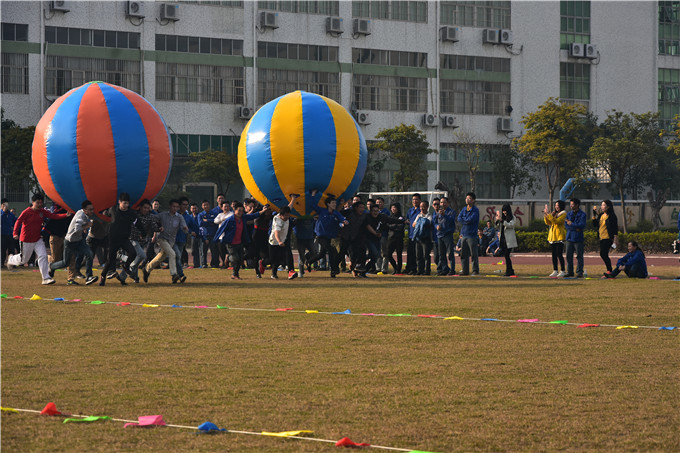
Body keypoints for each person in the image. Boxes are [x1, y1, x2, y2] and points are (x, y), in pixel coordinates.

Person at [10, 193, 69, 284]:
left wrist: (65, 215)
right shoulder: (26, 212)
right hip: (26, 240)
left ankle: (46, 278)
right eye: (37, 202)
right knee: (24, 260)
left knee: (43, 256)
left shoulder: (42, 211)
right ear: (33, 202)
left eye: (41, 203)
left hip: (37, 239)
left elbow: (53, 216)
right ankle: (11, 259)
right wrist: (15, 233)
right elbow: (18, 222)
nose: (39, 204)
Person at [49, 200, 98, 285]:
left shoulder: (85, 215)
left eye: (92, 209)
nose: (92, 211)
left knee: (89, 254)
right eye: (90, 209)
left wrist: (85, 228)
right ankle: (51, 266)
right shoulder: (80, 215)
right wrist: (87, 226)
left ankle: (89, 277)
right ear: (85, 210)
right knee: (65, 263)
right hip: (70, 242)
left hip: (78, 241)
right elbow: (77, 229)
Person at [99, 192, 144, 286]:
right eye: (124, 203)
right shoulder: (113, 210)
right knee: (110, 260)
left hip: (124, 239)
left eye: (127, 203)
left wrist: (143, 233)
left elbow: (138, 223)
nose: (126, 205)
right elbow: (105, 215)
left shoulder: (131, 213)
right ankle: (103, 277)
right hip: (112, 239)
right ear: (119, 202)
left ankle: (126, 266)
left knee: (133, 253)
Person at [214, 201, 267, 279]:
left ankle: (235, 274)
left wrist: (263, 210)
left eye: (242, 211)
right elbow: (221, 229)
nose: (240, 212)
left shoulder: (243, 218)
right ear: (234, 210)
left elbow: (253, 216)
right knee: (235, 258)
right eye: (239, 210)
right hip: (230, 243)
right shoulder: (230, 220)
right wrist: (216, 239)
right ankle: (228, 258)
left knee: (240, 259)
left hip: (240, 242)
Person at [143, 199, 188, 284]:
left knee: (159, 258)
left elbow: (184, 228)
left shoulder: (179, 217)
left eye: (177, 207)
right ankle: (174, 274)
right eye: (173, 206)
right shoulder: (163, 215)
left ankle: (146, 269)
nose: (175, 208)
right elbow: (154, 218)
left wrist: (185, 229)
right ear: (170, 206)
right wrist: (150, 211)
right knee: (172, 254)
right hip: (162, 239)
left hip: (171, 241)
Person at [119, 199, 160, 283]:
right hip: (131, 239)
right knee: (141, 255)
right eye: (144, 207)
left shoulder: (150, 216)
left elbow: (154, 226)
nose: (146, 210)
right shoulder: (134, 214)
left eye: (148, 208)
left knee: (135, 258)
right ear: (140, 207)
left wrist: (159, 228)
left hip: (141, 240)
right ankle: (122, 259)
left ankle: (124, 277)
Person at [305, 196, 348, 278]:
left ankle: (309, 262)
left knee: (322, 254)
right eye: (333, 203)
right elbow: (313, 205)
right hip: (321, 236)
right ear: (328, 204)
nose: (334, 204)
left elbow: (342, 219)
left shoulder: (336, 213)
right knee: (331, 250)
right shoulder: (322, 211)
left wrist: (344, 222)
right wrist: (313, 195)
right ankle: (334, 270)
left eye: (335, 203)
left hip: (329, 237)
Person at [593, 200, 619, 276]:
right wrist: (594, 215)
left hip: (608, 238)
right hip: (601, 237)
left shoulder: (612, 216)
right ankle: (609, 270)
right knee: (603, 254)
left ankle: (609, 270)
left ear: (608, 207)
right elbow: (595, 225)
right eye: (601, 205)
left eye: (604, 205)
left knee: (603, 253)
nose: (602, 206)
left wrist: (615, 239)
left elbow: (615, 228)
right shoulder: (601, 215)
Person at [457, 192, 480, 276]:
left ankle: (475, 270)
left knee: (473, 254)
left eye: (469, 198)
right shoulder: (464, 209)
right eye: (466, 198)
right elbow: (459, 218)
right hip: (464, 235)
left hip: (472, 235)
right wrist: (465, 220)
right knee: (463, 254)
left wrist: (465, 220)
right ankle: (465, 270)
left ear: (473, 200)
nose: (467, 200)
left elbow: (471, 220)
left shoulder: (475, 210)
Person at [434, 196, 456, 276]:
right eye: (441, 202)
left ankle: (452, 269)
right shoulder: (438, 212)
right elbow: (435, 221)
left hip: (448, 235)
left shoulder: (451, 212)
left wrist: (444, 215)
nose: (442, 204)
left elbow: (451, 220)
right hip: (440, 235)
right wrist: (436, 226)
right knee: (441, 254)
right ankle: (444, 269)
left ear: (448, 203)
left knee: (450, 253)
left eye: (444, 202)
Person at [268, 206, 292, 279]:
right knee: (273, 260)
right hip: (274, 242)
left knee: (281, 258)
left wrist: (293, 199)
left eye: (288, 215)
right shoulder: (278, 221)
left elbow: (289, 207)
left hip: (282, 242)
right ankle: (263, 263)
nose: (287, 217)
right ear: (281, 215)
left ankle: (275, 274)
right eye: (286, 215)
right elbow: (276, 233)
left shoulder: (284, 216)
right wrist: (279, 241)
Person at [544, 200, 567, 278]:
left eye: (558, 205)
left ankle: (563, 270)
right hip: (553, 236)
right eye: (556, 205)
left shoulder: (563, 214)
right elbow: (549, 223)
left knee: (559, 254)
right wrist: (546, 215)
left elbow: (557, 221)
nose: (556, 207)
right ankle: (555, 270)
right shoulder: (555, 214)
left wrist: (550, 215)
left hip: (559, 236)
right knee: (553, 255)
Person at [565, 198, 587, 278]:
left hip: (578, 238)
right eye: (570, 204)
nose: (571, 206)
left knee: (579, 256)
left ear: (577, 205)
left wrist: (572, 224)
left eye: (572, 204)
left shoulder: (582, 214)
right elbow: (566, 225)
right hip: (569, 237)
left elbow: (582, 225)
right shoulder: (569, 214)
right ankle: (570, 271)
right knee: (568, 256)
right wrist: (575, 227)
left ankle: (579, 272)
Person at [412, 200, 433, 275]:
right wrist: (420, 222)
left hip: (426, 239)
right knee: (418, 255)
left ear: (427, 207)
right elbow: (413, 224)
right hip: (418, 239)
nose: (422, 208)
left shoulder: (429, 216)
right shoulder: (418, 215)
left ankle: (427, 270)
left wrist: (421, 222)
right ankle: (420, 270)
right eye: (421, 207)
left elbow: (428, 223)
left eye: (423, 206)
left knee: (426, 255)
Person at [495, 204, 517, 277]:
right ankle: (510, 270)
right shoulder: (503, 217)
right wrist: (497, 220)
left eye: (505, 211)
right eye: (503, 211)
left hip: (509, 240)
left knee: (507, 255)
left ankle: (509, 271)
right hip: (503, 240)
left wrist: (502, 221)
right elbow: (498, 227)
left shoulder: (512, 217)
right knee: (506, 256)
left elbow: (511, 225)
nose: (504, 212)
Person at [198, 200, 219, 268]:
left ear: (209, 205)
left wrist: (207, 220)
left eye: (207, 205)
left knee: (214, 251)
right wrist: (211, 222)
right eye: (204, 205)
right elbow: (201, 223)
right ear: (202, 206)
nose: (206, 206)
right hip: (205, 235)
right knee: (203, 251)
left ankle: (214, 264)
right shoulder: (200, 214)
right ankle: (204, 264)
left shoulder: (214, 213)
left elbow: (216, 222)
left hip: (213, 235)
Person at [386, 202, 406, 274]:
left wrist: (393, 225)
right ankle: (395, 267)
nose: (393, 209)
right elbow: (387, 225)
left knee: (399, 255)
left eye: (395, 207)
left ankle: (398, 270)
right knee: (388, 254)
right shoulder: (389, 217)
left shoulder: (401, 217)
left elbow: (400, 227)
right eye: (392, 207)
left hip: (399, 238)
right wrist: (395, 225)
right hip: (391, 238)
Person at [405, 193, 421, 275]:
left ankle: (414, 269)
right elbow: (407, 219)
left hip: (417, 235)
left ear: (420, 200)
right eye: (413, 199)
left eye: (416, 199)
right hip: (410, 234)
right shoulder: (410, 210)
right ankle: (408, 268)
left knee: (416, 254)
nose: (415, 201)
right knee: (409, 252)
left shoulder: (421, 210)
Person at [1, 198, 18, 267]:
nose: (6, 206)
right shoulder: (1, 214)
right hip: (2, 235)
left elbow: (16, 222)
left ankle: (12, 263)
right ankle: (1, 263)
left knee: (11, 250)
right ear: (1, 205)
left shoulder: (11, 214)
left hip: (10, 235)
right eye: (4, 204)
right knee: (2, 250)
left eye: (7, 204)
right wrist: (3, 213)